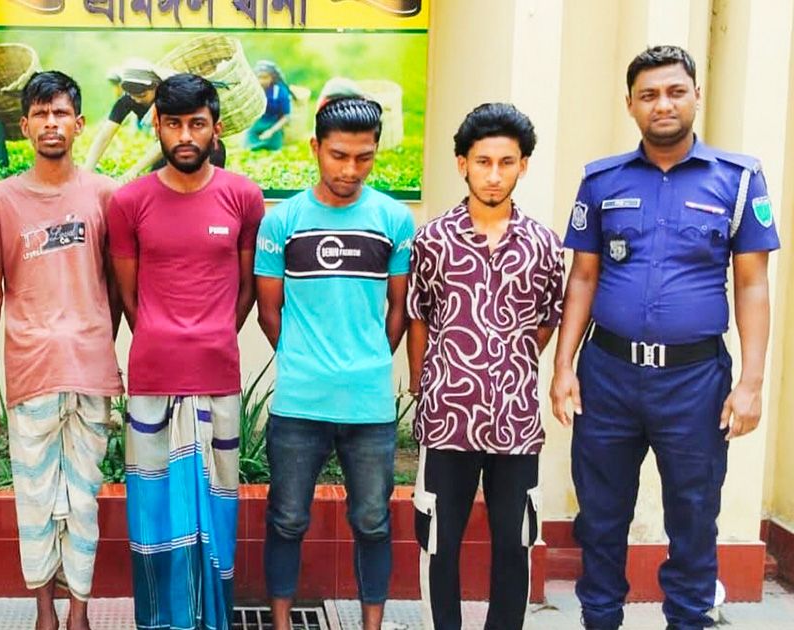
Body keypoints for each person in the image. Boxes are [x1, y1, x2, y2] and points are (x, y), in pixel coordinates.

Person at [550, 45, 780, 630]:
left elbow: (752, 284)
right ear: (630, 104)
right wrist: (563, 366)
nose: (663, 104)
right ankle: (600, 619)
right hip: (608, 374)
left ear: (696, 96)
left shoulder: (738, 180)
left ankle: (689, 620)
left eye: (676, 91)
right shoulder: (601, 180)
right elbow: (583, 277)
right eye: (648, 95)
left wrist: (751, 384)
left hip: (695, 381)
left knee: (694, 516)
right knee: (600, 517)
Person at [107, 73, 265, 630]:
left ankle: (210, 619)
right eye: (173, 124)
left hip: (218, 379)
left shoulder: (243, 197)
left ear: (215, 128)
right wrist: (162, 335)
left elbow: (247, 288)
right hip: (153, 380)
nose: (185, 136)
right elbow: (128, 295)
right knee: (153, 513)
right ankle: (160, 620)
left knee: (217, 509)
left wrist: (214, 333)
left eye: (197, 124)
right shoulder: (128, 202)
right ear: (157, 125)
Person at [0, 70, 124, 630]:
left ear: (79, 124)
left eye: (61, 113)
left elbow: (117, 284)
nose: (51, 123)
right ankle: (44, 614)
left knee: (82, 499)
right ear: (24, 126)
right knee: (34, 501)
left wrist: (102, 342)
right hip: (29, 370)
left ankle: (79, 612)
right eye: (40, 113)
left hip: (88, 373)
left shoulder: (105, 195)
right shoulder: (1, 199)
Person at [255, 96, 415, 630]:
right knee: (287, 518)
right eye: (339, 155)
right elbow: (269, 313)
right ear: (315, 148)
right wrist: (304, 361)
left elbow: (398, 310)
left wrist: (368, 362)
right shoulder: (282, 222)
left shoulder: (394, 219)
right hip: (299, 402)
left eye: (364, 157)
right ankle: (281, 623)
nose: (350, 169)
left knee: (372, 521)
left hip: (369, 405)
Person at [407, 103, 564, 630]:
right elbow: (419, 317)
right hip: (446, 418)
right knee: (438, 541)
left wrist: (508, 366)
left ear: (523, 166)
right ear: (462, 164)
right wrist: (424, 385)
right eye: (483, 162)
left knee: (515, 543)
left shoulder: (544, 245)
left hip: (516, 422)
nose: (494, 175)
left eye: (506, 162)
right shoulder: (432, 240)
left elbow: (546, 321)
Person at [83, 58, 226, 177]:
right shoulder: (128, 100)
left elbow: (168, 140)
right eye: (132, 96)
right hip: (170, 151)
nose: (137, 100)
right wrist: (87, 170)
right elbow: (105, 135)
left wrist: (133, 172)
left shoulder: (172, 99)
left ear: (157, 87)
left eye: (142, 95)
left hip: (202, 149)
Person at [245, 60, 292, 151]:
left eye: (265, 77)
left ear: (272, 78)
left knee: (273, 150)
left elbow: (286, 116)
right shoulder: (252, 89)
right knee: (250, 149)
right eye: (259, 77)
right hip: (255, 127)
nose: (262, 81)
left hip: (273, 127)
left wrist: (271, 131)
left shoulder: (280, 91)